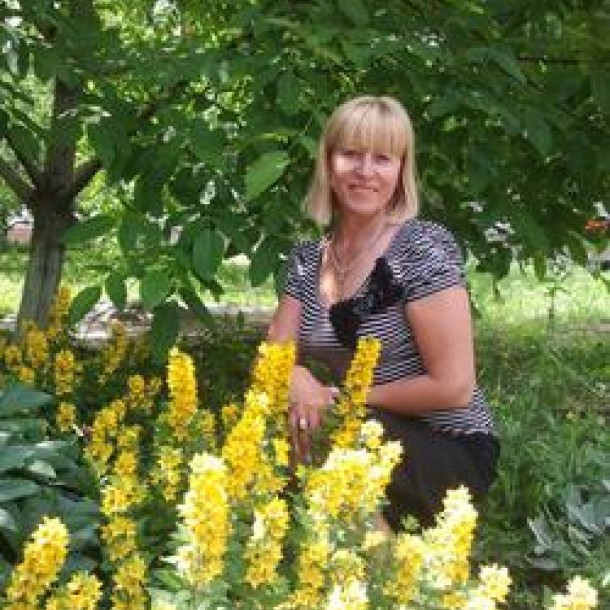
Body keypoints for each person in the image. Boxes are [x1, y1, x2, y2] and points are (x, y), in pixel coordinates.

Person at [267, 95, 499, 531]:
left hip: (448, 446)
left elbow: (454, 387)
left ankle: (378, 572)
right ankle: (315, 552)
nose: (365, 171)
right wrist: (296, 377)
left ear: (400, 170)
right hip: (364, 428)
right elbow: (274, 357)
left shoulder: (421, 248)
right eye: (351, 154)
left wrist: (343, 398)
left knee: (328, 425)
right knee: (287, 415)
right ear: (328, 163)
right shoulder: (306, 259)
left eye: (382, 158)